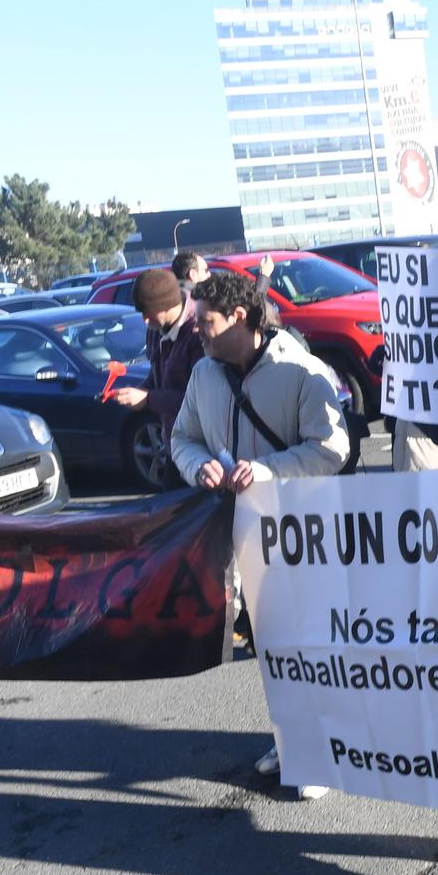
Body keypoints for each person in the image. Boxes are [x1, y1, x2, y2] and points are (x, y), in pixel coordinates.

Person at [169, 271, 351, 796]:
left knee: (312, 644)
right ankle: (290, 737)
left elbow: (332, 450)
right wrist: (197, 465)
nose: (196, 331)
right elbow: (184, 437)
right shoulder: (204, 373)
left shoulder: (300, 370)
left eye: (205, 322)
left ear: (240, 319)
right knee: (272, 643)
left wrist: (267, 471)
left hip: (305, 533)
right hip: (243, 536)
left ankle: (322, 753)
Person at [108, 268, 205, 481]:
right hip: (172, 444)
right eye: (141, 312)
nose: (144, 320)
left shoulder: (199, 332)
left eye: (148, 311)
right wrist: (140, 390)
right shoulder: (155, 326)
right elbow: (156, 374)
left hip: (202, 451)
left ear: (169, 305)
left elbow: (197, 401)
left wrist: (148, 399)